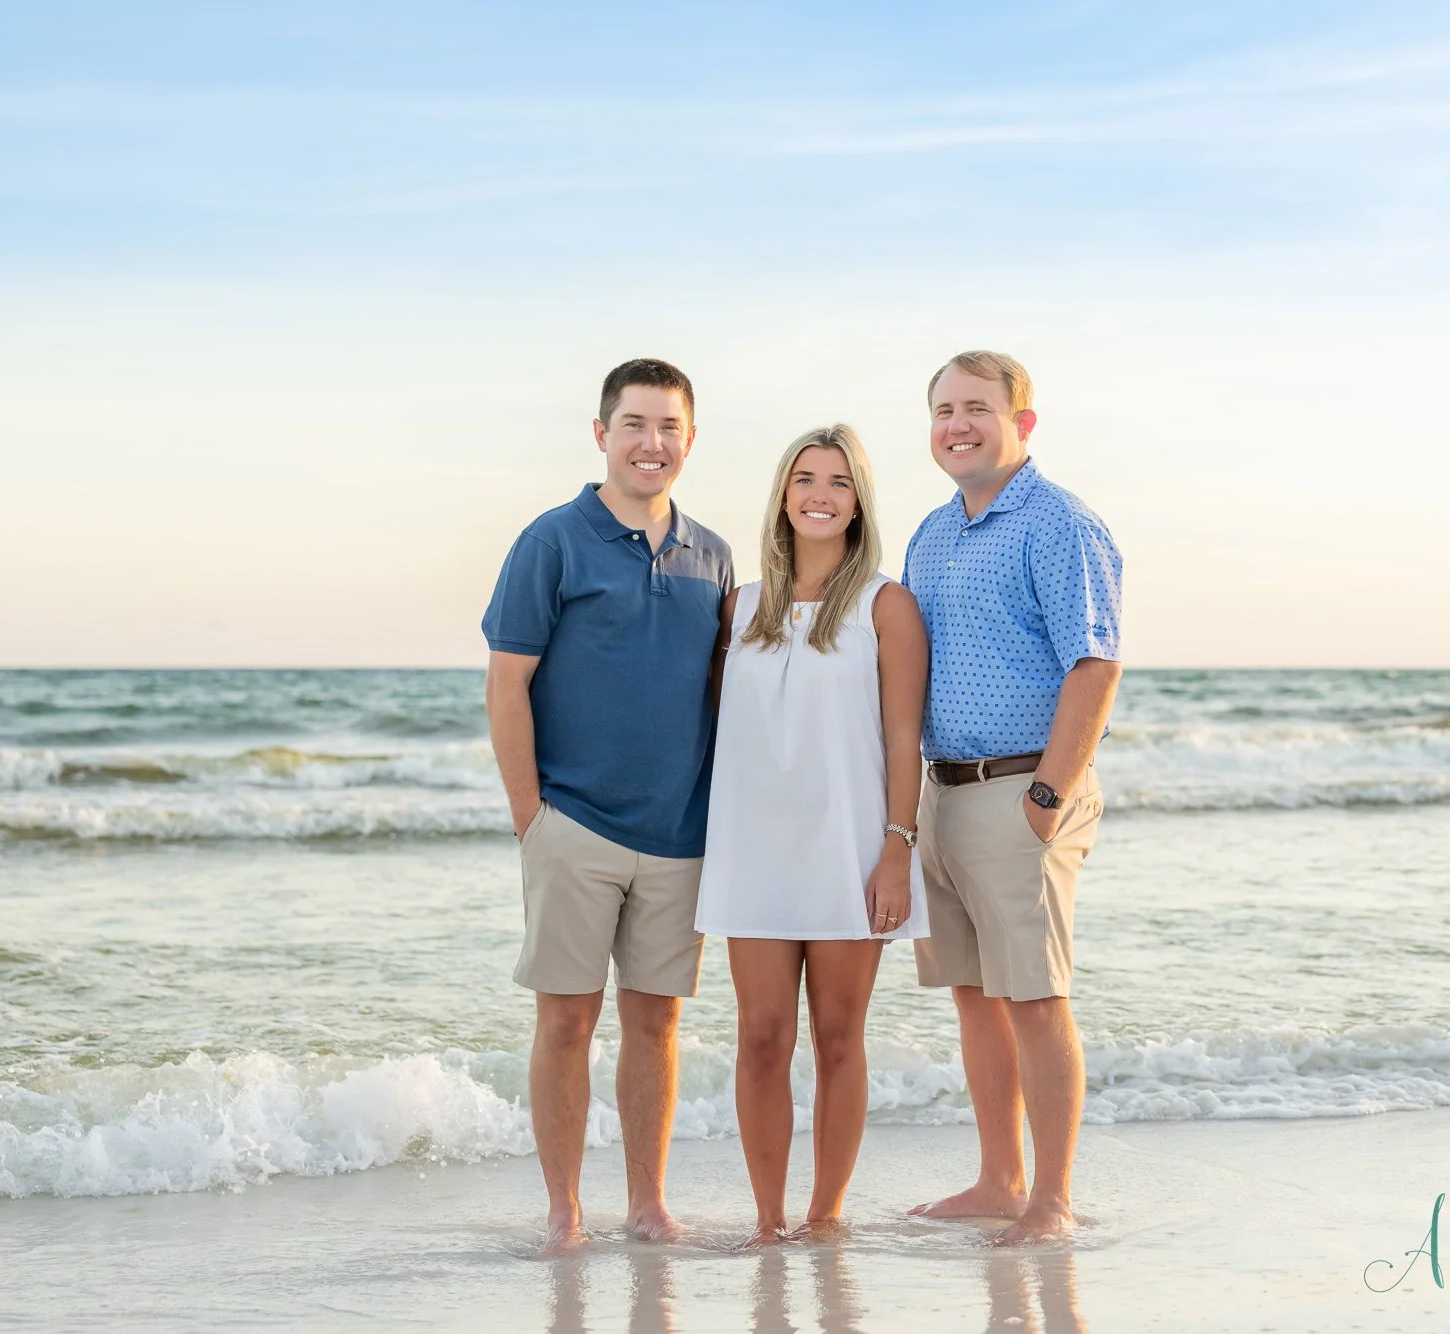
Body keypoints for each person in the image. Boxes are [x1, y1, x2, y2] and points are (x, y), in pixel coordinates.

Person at [481, 358, 733, 1254]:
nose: (651, 443)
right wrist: (530, 816)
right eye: (634, 424)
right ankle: (563, 1212)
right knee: (565, 1021)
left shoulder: (715, 555)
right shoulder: (552, 540)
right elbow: (507, 685)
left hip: (679, 834)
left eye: (669, 427)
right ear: (602, 434)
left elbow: (717, 692)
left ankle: (648, 1207)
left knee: (656, 1025)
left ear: (690, 441)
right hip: (574, 825)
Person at [902, 351, 1123, 1246]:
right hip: (943, 795)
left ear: (1022, 423)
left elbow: (1096, 661)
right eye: (944, 410)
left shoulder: (1058, 523)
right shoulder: (932, 532)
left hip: (1022, 791)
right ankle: (999, 1179)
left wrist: (1046, 793)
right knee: (973, 994)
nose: (958, 425)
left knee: (1034, 997)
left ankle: (1052, 1200)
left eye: (978, 409)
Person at [694, 424, 931, 1245]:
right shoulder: (740, 606)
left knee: (838, 1038)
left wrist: (896, 847)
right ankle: (768, 1220)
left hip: (850, 846)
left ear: (859, 499)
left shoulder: (886, 606)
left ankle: (826, 1215)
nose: (819, 494)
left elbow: (905, 739)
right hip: (754, 849)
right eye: (805, 478)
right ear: (783, 493)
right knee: (761, 1037)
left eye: (837, 480)